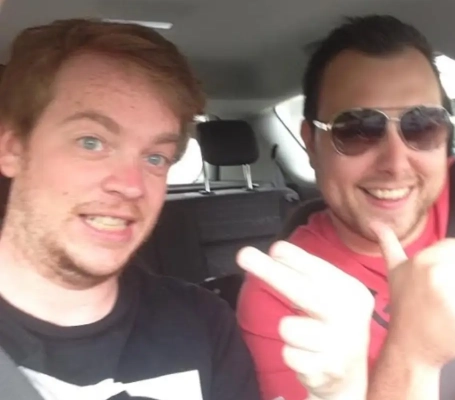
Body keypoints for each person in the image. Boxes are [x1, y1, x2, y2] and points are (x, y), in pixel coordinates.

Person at [236, 14, 455, 400]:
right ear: (311, 143)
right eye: (358, 129)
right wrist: (413, 354)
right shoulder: (282, 291)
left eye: (421, 125)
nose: (396, 163)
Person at [0, 18, 261, 400]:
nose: (132, 185)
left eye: (155, 157)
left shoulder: (205, 323)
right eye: (91, 142)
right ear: (12, 149)